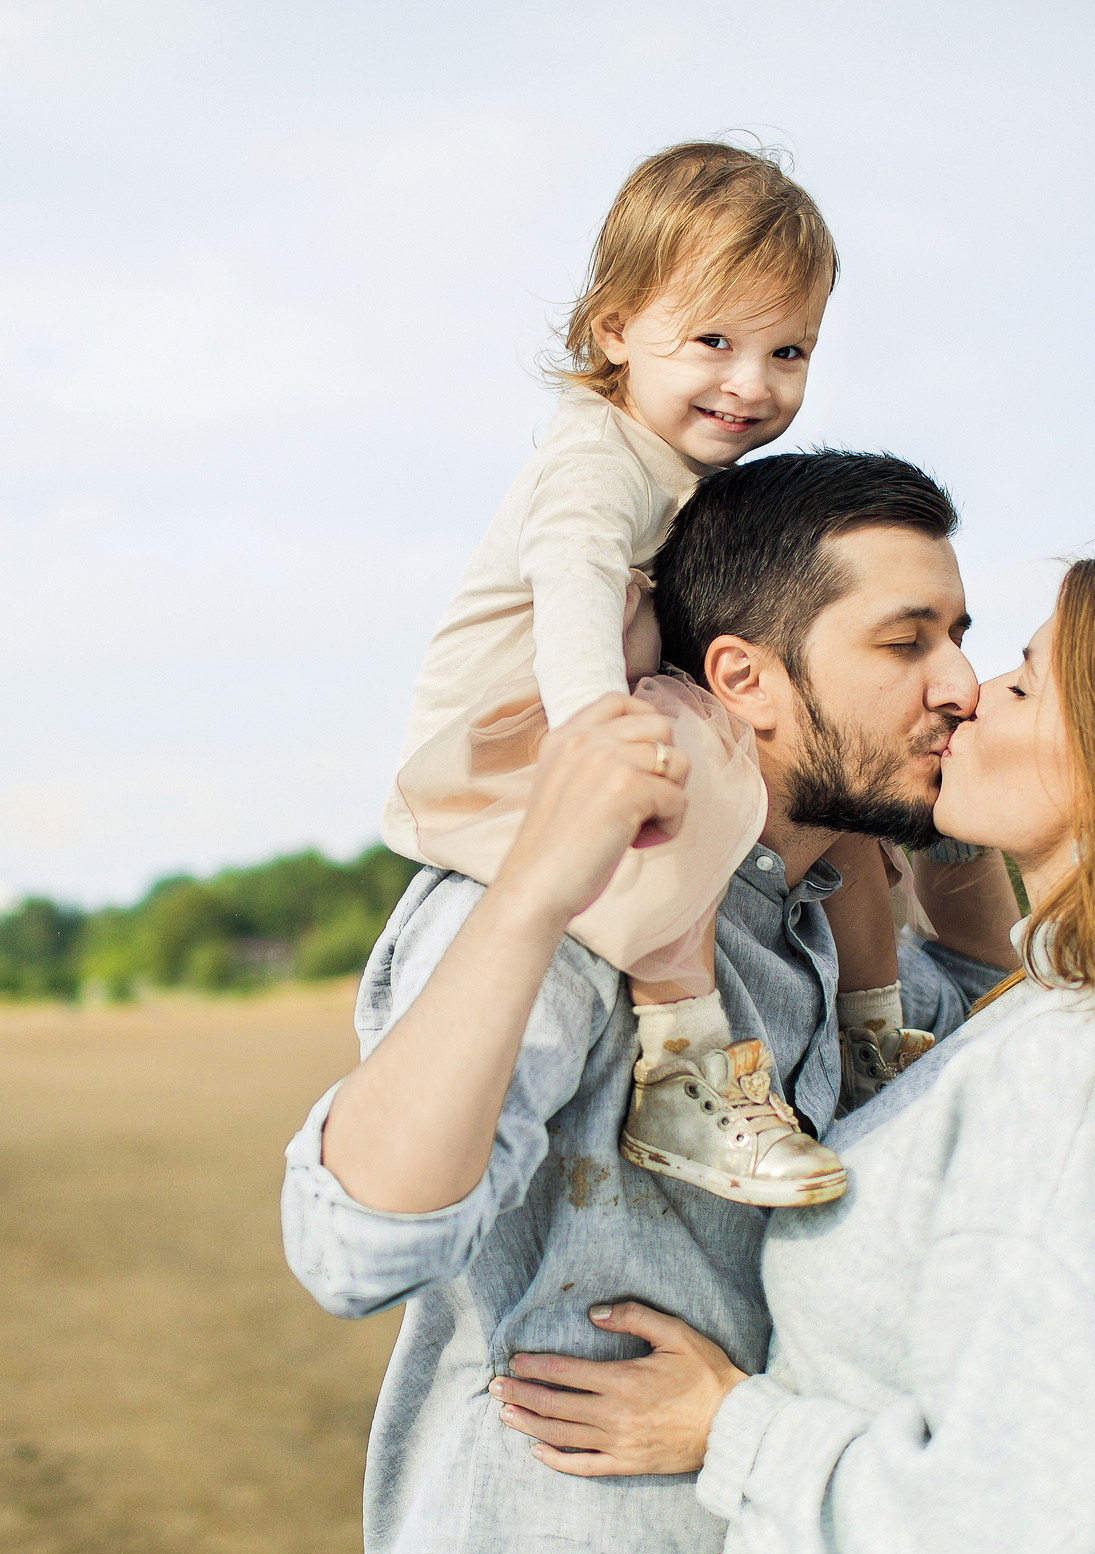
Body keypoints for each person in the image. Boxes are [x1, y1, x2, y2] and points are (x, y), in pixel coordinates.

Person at [487, 554, 1095, 1554]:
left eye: (1027, 684)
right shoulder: (1074, 1024)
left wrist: (727, 1429)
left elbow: (994, 1547)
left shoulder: (1071, 1086)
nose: (970, 690)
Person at [284, 451, 1023, 1554]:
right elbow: (350, 1244)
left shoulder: (825, 929)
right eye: (907, 644)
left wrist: (949, 812)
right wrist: (530, 894)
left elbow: (994, 1009)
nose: (959, 684)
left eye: (961, 637)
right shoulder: (586, 912)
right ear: (744, 678)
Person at [384, 139, 925, 1208]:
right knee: (687, 784)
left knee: (843, 798)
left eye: (789, 353)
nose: (751, 383)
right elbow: (578, 595)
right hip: (516, 746)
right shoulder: (595, 462)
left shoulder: (681, 467)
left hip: (612, 709)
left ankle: (870, 1037)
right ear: (616, 330)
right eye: (715, 340)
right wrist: (600, 730)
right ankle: (680, 1063)